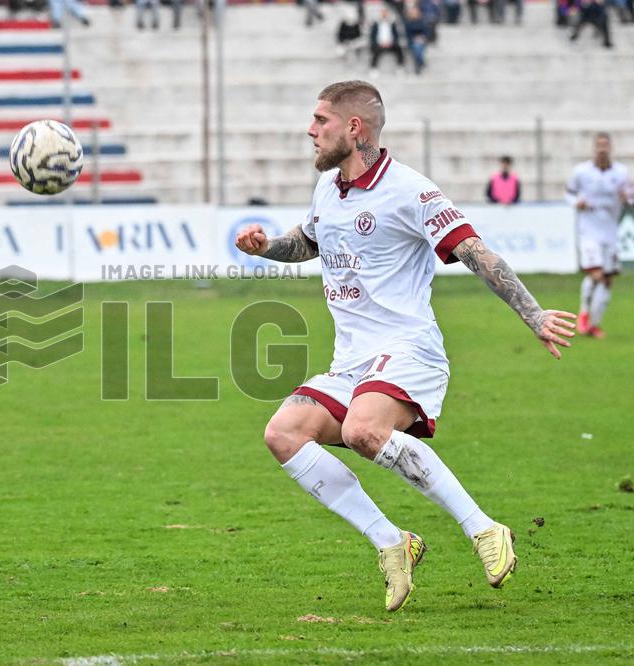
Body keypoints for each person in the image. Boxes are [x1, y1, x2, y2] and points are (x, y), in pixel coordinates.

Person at [235, 80, 576, 612]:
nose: (310, 129)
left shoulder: (411, 190)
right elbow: (309, 241)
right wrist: (267, 247)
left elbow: (474, 252)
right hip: (353, 360)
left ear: (355, 127)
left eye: (321, 120)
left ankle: (484, 529)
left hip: (408, 348)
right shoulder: (330, 188)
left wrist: (533, 314)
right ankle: (393, 541)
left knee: (362, 430)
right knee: (283, 433)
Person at [566, 132, 629, 338]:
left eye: (606, 145)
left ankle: (594, 324)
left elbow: (631, 197)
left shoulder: (621, 173)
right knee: (596, 274)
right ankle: (584, 313)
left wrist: (627, 198)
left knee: (607, 280)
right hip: (588, 231)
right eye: (599, 145)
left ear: (610, 148)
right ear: (594, 148)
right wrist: (576, 203)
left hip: (610, 232)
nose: (602, 149)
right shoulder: (581, 172)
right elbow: (569, 194)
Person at [369, 7, 404, 73]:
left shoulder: (392, 23)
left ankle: (400, 67)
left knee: (399, 49)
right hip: (379, 44)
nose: (384, 14)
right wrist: (379, 43)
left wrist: (391, 42)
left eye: (385, 13)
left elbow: (396, 35)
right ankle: (373, 68)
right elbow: (372, 36)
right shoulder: (376, 24)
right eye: (383, 13)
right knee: (375, 51)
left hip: (390, 43)